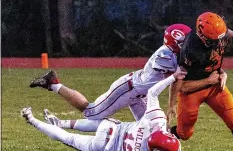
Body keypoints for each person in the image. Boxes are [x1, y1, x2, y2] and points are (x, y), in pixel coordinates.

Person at [21, 67, 199, 151]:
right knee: (71, 133)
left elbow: (152, 93)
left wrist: (172, 77)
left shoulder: (156, 122)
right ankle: (34, 119)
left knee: (94, 115)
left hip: (111, 127)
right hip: (106, 148)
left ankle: (58, 114)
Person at [29, 24, 192, 132]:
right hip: (128, 89)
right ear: (175, 43)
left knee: (154, 129)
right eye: (185, 42)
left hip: (139, 93)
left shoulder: (173, 53)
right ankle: (54, 84)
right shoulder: (165, 55)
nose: (188, 45)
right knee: (90, 112)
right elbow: (180, 78)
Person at [166, 12, 233, 151]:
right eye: (214, 39)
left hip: (215, 87)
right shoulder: (190, 49)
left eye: (221, 37)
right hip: (192, 90)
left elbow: (225, 33)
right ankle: (159, 138)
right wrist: (171, 105)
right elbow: (181, 85)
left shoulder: (217, 33)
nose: (219, 42)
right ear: (201, 34)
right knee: (184, 134)